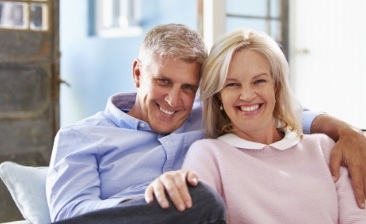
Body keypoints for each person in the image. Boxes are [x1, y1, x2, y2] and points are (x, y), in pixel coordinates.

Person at [46, 23, 365, 223]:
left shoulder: (212, 113)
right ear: (138, 73)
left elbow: (279, 111)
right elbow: (69, 215)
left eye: (188, 88)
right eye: (163, 81)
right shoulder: (81, 137)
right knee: (201, 200)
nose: (173, 100)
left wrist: (347, 132)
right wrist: (153, 198)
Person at [180, 28, 366, 223]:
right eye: (232, 84)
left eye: (259, 81)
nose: (247, 95)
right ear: (218, 94)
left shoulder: (324, 148)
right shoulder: (208, 156)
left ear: (275, 87)